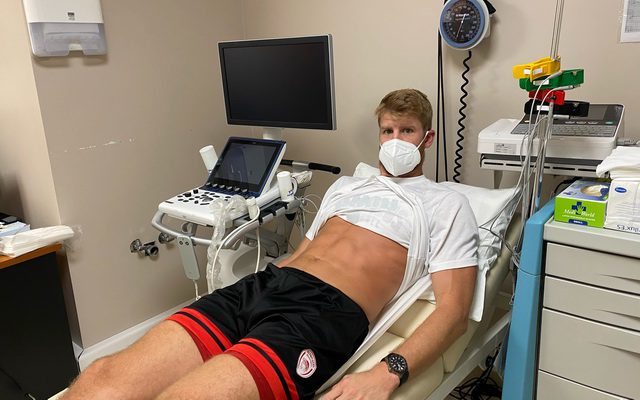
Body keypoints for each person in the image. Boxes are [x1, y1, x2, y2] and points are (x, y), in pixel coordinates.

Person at [61, 88, 478, 400]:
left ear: (427, 138)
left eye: (407, 131)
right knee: (102, 377)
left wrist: (387, 373)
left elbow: (454, 312)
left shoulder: (446, 203)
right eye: (388, 130)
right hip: (266, 285)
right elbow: (305, 251)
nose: (396, 140)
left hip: (325, 311)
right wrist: (265, 284)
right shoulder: (347, 187)